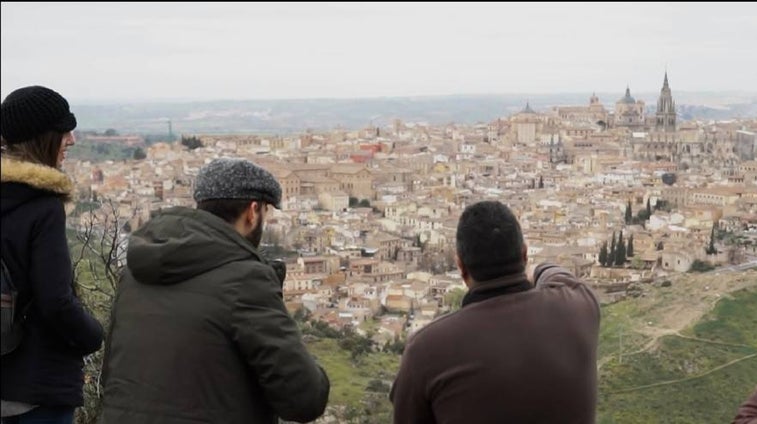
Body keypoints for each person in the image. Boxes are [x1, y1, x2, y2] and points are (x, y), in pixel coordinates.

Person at [100, 158, 330, 424]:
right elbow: (304, 399)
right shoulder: (245, 279)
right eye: (266, 212)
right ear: (252, 212)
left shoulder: (134, 273)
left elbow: (111, 374)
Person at [391, 200, 600, 424]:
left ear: (461, 267)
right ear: (525, 254)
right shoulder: (579, 306)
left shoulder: (427, 350)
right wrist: (536, 271)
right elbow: (554, 273)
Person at [1, 86, 105, 423]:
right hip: (35, 385)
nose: (72, 139)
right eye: (64, 130)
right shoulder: (42, 206)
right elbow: (55, 301)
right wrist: (93, 335)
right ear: (42, 137)